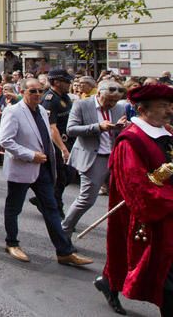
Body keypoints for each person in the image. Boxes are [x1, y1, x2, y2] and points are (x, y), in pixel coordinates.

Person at [0, 78, 93, 267]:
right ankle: (11, 243)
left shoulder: (41, 110)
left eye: (40, 91)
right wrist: (30, 155)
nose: (37, 95)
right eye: (32, 91)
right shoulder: (13, 111)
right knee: (14, 207)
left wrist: (58, 153)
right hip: (23, 166)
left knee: (52, 209)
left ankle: (64, 252)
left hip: (43, 169)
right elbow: (5, 140)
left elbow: (47, 136)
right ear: (22, 91)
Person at [96, 84, 173, 315]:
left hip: (167, 211)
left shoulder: (167, 132)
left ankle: (109, 282)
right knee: (162, 276)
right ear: (142, 110)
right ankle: (111, 284)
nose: (169, 110)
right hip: (152, 217)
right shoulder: (131, 141)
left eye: (170, 105)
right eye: (163, 106)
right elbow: (137, 190)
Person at [61, 80, 128, 236]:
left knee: (123, 197)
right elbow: (71, 129)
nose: (112, 104)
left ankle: (122, 234)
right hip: (93, 157)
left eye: (115, 101)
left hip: (114, 157)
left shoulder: (120, 107)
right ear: (98, 93)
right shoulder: (82, 105)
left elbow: (120, 133)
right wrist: (98, 127)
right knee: (87, 199)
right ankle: (65, 230)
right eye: (109, 100)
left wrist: (123, 127)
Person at [38, 68, 74, 214]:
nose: (69, 84)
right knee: (60, 176)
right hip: (56, 143)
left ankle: (45, 198)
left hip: (68, 140)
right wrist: (62, 149)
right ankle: (56, 209)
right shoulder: (49, 100)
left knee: (69, 175)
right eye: (66, 81)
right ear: (56, 82)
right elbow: (52, 128)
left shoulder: (65, 97)